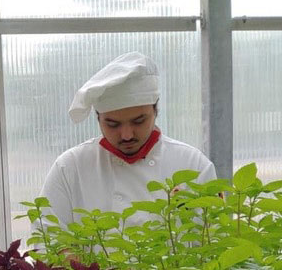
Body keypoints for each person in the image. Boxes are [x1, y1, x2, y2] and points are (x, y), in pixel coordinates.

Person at [40, 52, 217, 228]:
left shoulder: (192, 165)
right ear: (98, 117)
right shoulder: (71, 167)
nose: (127, 135)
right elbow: (47, 235)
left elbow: (214, 238)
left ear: (155, 110)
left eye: (138, 121)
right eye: (112, 124)